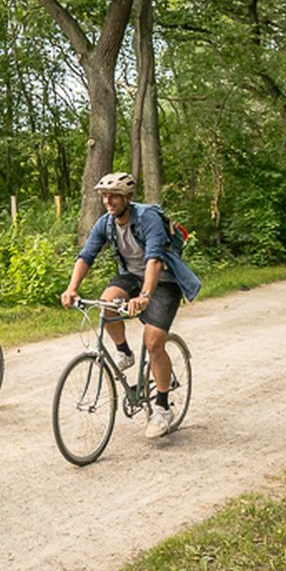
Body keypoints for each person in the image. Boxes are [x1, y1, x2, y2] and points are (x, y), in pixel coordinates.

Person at [60, 171, 202, 438]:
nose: (108, 201)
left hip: (163, 281)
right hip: (131, 276)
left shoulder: (148, 219)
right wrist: (72, 288)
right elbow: (86, 255)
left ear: (128, 197)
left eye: (114, 196)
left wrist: (145, 296)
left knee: (153, 341)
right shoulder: (106, 223)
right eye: (105, 196)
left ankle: (162, 407)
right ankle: (124, 352)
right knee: (106, 303)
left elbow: (154, 259)